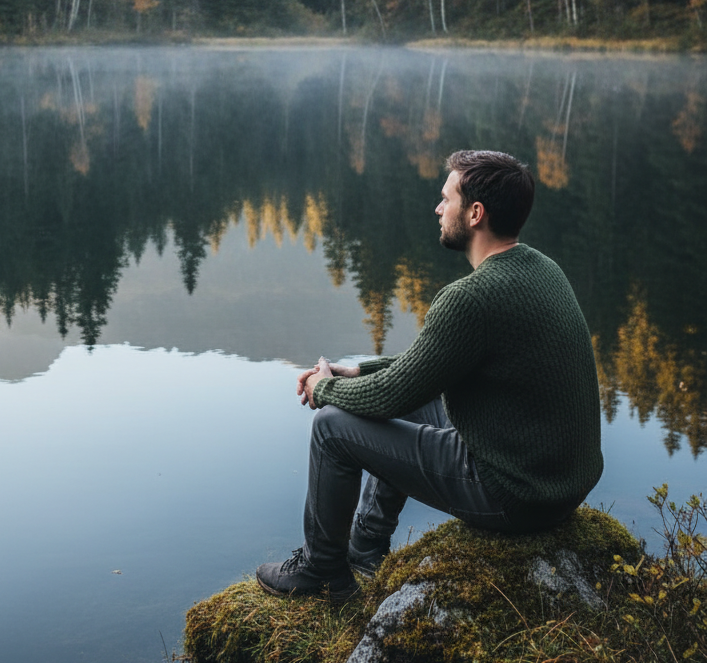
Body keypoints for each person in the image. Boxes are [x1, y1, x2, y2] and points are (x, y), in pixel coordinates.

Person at [256, 149, 604, 601]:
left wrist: (326, 388)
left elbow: (390, 397)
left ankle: (323, 571)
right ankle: (365, 547)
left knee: (330, 430)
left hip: (515, 494)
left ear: (475, 213)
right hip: (557, 484)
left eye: (447, 199)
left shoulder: (471, 298)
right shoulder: (542, 269)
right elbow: (427, 368)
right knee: (420, 402)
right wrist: (356, 370)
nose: (438, 209)